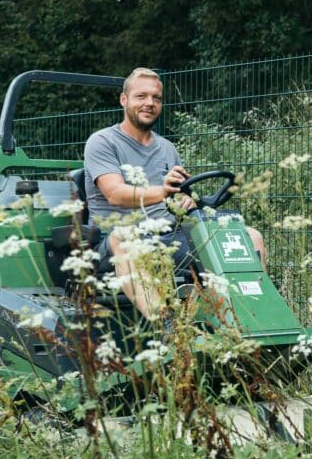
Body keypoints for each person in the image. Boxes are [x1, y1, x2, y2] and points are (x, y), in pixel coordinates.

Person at [83, 67, 265, 320]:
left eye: (156, 98)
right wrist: (163, 192)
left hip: (169, 237)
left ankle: (252, 318)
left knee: (249, 236)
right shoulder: (103, 142)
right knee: (124, 236)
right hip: (116, 243)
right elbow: (114, 193)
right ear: (124, 100)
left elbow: (173, 197)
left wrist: (183, 201)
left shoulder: (167, 148)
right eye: (141, 96)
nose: (150, 103)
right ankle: (169, 328)